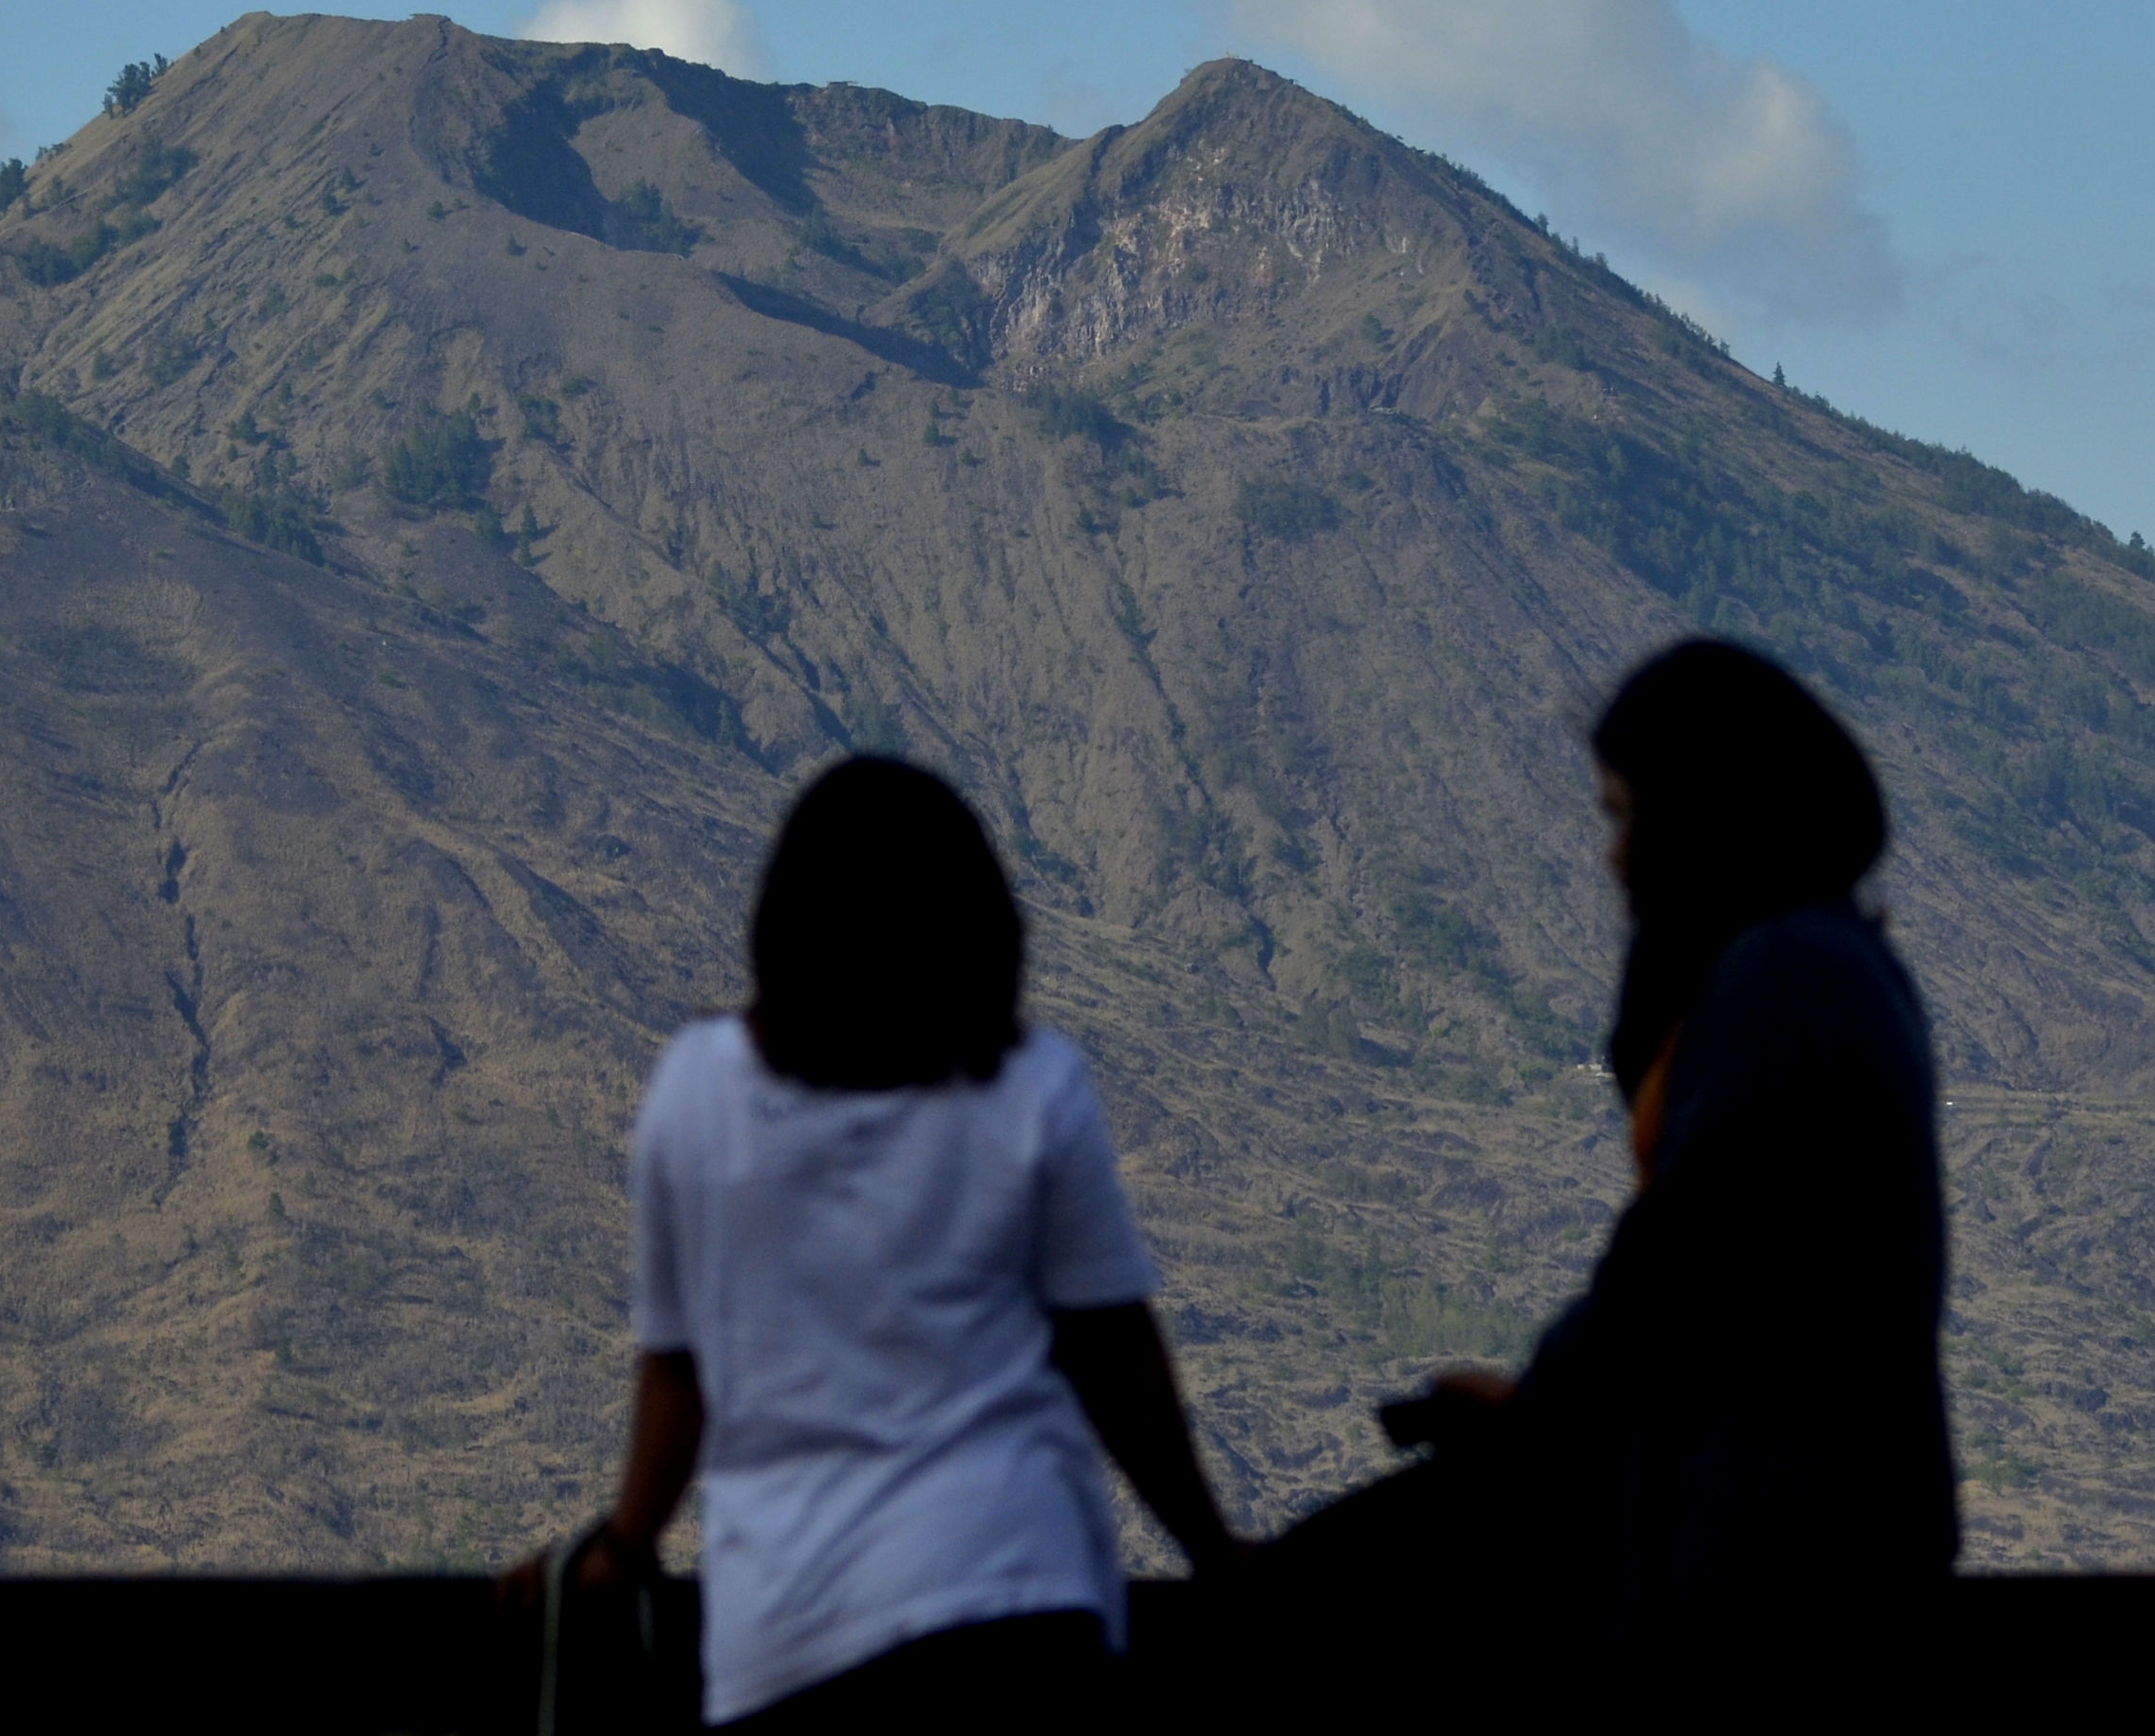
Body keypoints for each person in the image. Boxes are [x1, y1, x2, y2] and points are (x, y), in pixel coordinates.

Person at [1271, 638, 1954, 1729]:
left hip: (1763, 1573)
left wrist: (1537, 1410)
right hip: (1815, 1549)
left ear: (1704, 816)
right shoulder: (1835, 966)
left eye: (1627, 816)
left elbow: (1677, 1269)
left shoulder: (1782, 980)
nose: (1614, 858)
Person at [522, 756, 1244, 1732]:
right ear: (981, 925)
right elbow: (1113, 1356)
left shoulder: (698, 1091)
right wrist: (1213, 1549)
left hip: (788, 1644)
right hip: (1017, 1615)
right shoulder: (1033, 1086)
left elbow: (679, 1371)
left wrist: (624, 1542)